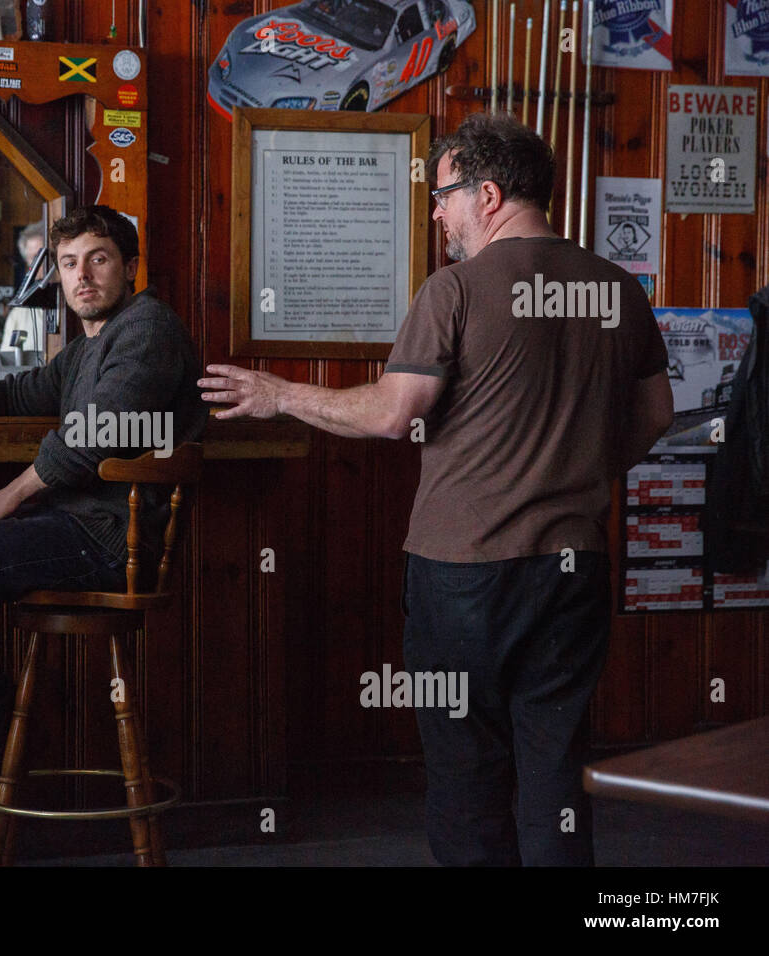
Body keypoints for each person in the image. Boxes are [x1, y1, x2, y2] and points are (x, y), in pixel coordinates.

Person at [198, 112, 674, 866]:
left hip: (466, 576)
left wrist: (279, 393)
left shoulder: (454, 289)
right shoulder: (617, 289)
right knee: (554, 774)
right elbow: (655, 416)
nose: (437, 212)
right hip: (573, 567)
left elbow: (393, 415)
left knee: (466, 774)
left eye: (444, 194)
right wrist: (575, 466)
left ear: (487, 194)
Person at [0, 204, 208, 812]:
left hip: (107, 540)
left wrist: (13, 492)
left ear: (129, 267)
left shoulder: (147, 328)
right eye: (70, 264)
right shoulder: (90, 345)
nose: (83, 277)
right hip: (75, 528)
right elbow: (18, 391)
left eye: (98, 260)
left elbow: (101, 430)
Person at [0, 221, 46, 353]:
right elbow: (7, 362)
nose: (42, 263)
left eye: (46, 255)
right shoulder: (18, 314)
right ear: (27, 264)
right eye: (34, 258)